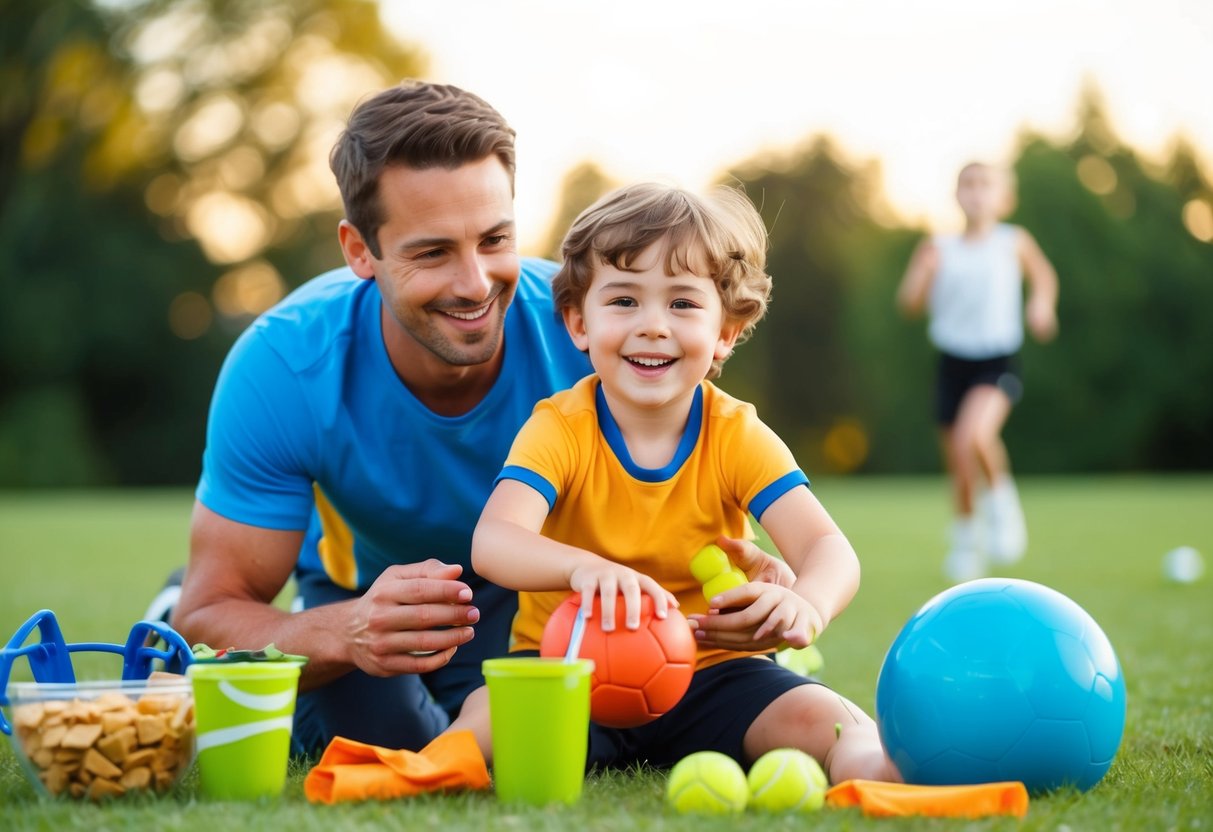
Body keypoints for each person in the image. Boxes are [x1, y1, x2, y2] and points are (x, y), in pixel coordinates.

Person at [163, 82, 788, 756]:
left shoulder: (602, 333)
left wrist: (742, 575)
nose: (474, 283)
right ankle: (174, 624)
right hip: (366, 597)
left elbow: (704, 465)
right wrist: (345, 630)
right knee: (392, 745)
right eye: (432, 253)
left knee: (533, 752)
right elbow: (210, 615)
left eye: (495, 240)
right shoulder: (283, 368)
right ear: (358, 251)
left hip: (535, 601)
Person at [449, 182, 901, 783]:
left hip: (714, 671)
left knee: (822, 717)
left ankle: (882, 774)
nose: (654, 326)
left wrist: (804, 605)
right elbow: (496, 540)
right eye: (625, 301)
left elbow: (827, 549)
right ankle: (428, 766)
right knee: (486, 716)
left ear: (726, 333)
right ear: (579, 323)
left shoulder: (737, 434)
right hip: (570, 667)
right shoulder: (558, 427)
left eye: (683, 304)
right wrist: (582, 568)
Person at [896, 162, 1058, 583]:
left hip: (996, 359)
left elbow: (1043, 277)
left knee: (975, 436)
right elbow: (909, 304)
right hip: (952, 362)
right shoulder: (938, 247)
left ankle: (1004, 510)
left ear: (1004, 198)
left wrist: (1041, 304)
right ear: (956, 195)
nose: (976, 193)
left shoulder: (1013, 241)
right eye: (968, 184)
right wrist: (923, 274)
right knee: (959, 463)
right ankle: (968, 540)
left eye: (986, 185)